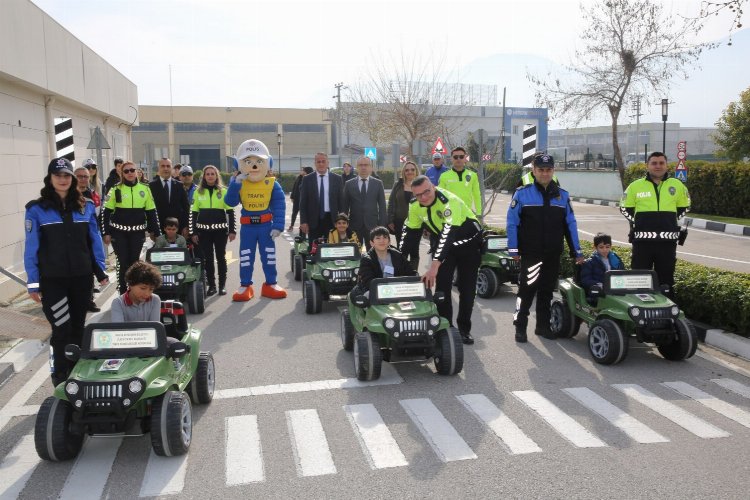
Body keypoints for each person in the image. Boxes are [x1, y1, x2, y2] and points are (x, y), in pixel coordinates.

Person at [24, 157, 109, 385]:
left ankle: (78, 375)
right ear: (50, 179)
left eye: (66, 176)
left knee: (77, 330)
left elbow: (94, 241)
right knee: (61, 329)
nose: (62, 180)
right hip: (53, 281)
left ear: (72, 179)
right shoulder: (36, 210)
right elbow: (31, 247)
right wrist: (33, 281)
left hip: (81, 279)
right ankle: (60, 377)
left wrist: (100, 271)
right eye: (58, 175)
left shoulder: (86, 206)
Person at [506, 153, 584, 343]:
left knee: (547, 291)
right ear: (533, 171)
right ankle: (520, 326)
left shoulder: (562, 196)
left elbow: (570, 224)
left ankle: (542, 326)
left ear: (553, 171)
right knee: (526, 290)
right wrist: (513, 249)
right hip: (531, 254)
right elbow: (512, 223)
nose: (545, 173)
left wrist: (577, 252)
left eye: (548, 170)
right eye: (541, 170)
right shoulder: (522, 194)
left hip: (552, 253)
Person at [400, 175, 482, 345]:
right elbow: (409, 233)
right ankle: (446, 328)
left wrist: (434, 265)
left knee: (467, 289)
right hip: (447, 248)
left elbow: (447, 234)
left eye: (427, 192)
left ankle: (464, 330)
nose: (423, 197)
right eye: (418, 195)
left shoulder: (448, 201)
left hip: (468, 244)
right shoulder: (415, 205)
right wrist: (397, 258)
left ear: (434, 187)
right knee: (442, 289)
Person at [620, 151, 690, 298]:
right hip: (642, 243)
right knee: (639, 280)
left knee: (666, 282)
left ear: (666, 165)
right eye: (654, 163)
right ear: (648, 166)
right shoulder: (635, 186)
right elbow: (624, 208)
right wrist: (640, 222)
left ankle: (667, 316)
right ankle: (638, 315)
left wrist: (668, 222)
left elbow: (685, 207)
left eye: (661, 163)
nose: (658, 166)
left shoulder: (677, 185)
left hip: (667, 243)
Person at [225, 139, 287, 301]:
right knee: (246, 256)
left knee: (269, 255)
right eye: (248, 161)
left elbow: (279, 205)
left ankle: (271, 284)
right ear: (239, 164)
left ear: (268, 163)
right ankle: (245, 285)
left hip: (266, 226)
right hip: (248, 227)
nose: (254, 166)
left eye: (259, 161)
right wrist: (235, 185)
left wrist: (278, 226)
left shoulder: (272, 184)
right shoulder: (238, 183)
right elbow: (230, 202)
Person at [102, 161, 160, 294]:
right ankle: (122, 292)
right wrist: (105, 232)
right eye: (126, 171)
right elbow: (106, 212)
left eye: (132, 170)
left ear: (137, 172)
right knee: (123, 262)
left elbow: (151, 212)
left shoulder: (145, 189)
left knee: (134, 262)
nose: (129, 173)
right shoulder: (115, 189)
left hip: (137, 232)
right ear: (121, 173)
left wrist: (156, 232)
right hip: (119, 232)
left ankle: (133, 291)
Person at [190, 164, 236, 296]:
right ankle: (212, 286)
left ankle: (222, 286)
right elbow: (192, 214)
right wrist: (193, 232)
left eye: (212, 174)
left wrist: (232, 230)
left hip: (220, 231)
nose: (210, 176)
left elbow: (230, 212)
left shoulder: (224, 191)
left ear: (217, 176)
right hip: (203, 232)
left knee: (221, 257)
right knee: (208, 259)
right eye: (207, 174)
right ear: (204, 177)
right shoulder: (197, 192)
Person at [342, 156, 387, 251]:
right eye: (360, 165)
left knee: (374, 254)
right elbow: (344, 207)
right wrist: (344, 226)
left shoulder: (378, 184)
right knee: (354, 254)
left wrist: (382, 226)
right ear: (356, 167)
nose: (363, 167)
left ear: (371, 167)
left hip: (373, 226)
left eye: (366, 165)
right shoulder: (349, 184)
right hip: (354, 226)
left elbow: (382, 207)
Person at [355, 226, 417, 294]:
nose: (382, 241)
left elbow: (411, 273)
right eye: (378, 238)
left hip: (398, 292)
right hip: (377, 293)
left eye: (385, 237)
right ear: (372, 243)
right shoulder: (366, 260)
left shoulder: (398, 255)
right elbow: (368, 282)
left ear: (389, 242)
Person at [74, 165, 103, 313]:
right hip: (73, 239)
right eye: (80, 176)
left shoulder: (93, 194)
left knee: (90, 268)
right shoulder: (68, 194)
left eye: (85, 176)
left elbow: (97, 215)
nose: (83, 179)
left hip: (88, 237)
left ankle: (88, 300)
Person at [299, 152, 343, 244]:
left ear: (328, 163)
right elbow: (303, 202)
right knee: (314, 250)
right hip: (313, 220)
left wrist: (342, 220)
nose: (321, 164)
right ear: (315, 164)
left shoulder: (337, 179)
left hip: (331, 219)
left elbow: (341, 202)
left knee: (332, 248)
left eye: (323, 161)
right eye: (318, 162)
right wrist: (303, 221)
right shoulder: (307, 179)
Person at [387, 161, 420, 269]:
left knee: (414, 250)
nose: (410, 172)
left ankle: (413, 273)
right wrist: (390, 220)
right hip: (399, 222)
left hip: (417, 223)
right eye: (407, 170)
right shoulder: (398, 185)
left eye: (412, 169)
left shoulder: (421, 185)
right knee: (402, 249)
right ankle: (403, 272)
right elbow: (391, 202)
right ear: (403, 172)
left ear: (416, 171)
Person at [149, 158, 191, 237]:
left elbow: (186, 208)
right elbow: (149, 211)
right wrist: (151, 229)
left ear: (171, 168)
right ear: (159, 168)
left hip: (178, 228)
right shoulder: (151, 186)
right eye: (163, 166)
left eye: (168, 166)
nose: (166, 168)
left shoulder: (180, 185)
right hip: (158, 229)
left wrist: (186, 226)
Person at [439, 146, 482, 217]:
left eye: (461, 157)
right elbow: (440, 195)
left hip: (467, 214)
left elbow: (477, 195)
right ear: (451, 159)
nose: (458, 159)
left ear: (465, 158)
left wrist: (479, 213)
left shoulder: (473, 175)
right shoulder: (444, 176)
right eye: (455, 157)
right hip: (450, 215)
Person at [580, 232, 624, 298]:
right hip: (599, 293)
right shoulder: (590, 262)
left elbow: (623, 273)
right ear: (595, 247)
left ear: (610, 246)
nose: (605, 250)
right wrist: (599, 285)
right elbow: (585, 280)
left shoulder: (616, 259)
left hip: (616, 290)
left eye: (607, 247)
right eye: (601, 247)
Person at [288, 166, 312, 232]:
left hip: (305, 200)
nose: (301, 171)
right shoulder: (299, 177)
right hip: (297, 199)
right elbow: (294, 187)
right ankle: (291, 226)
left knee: (304, 214)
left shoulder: (310, 179)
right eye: (301, 170)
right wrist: (292, 196)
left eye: (303, 170)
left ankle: (303, 227)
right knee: (294, 213)